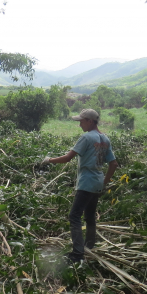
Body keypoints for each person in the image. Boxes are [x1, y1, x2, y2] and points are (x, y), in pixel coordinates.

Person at [42, 109, 118, 264]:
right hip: (97, 181)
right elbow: (114, 163)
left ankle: (77, 254)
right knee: (89, 216)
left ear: (90, 121)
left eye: (81, 121)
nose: (80, 125)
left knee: (75, 216)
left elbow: (67, 158)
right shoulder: (105, 139)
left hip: (86, 183)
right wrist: (105, 181)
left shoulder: (86, 137)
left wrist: (49, 160)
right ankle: (89, 245)